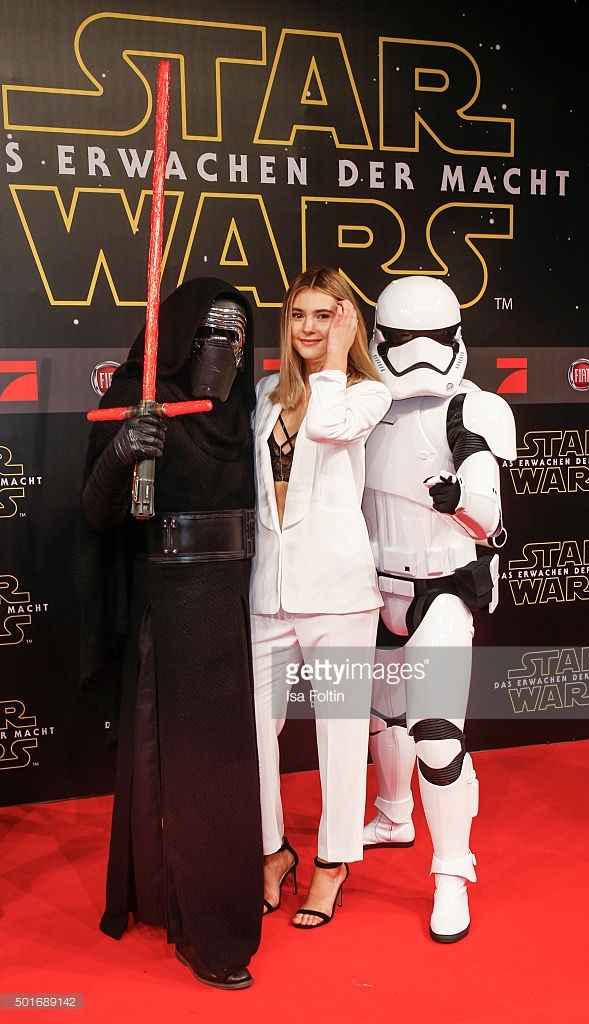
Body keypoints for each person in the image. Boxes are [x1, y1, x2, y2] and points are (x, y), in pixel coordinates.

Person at [72, 278, 262, 989]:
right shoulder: (139, 392)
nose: (225, 349)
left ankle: (217, 913)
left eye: (237, 336)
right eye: (211, 333)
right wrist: (123, 448)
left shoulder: (246, 407)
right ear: (180, 336)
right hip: (167, 600)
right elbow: (97, 515)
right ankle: (195, 922)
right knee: (177, 767)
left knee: (224, 772)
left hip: (232, 600)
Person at [360, 275, 517, 943]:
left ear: (455, 340)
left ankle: (452, 872)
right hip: (373, 587)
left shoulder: (471, 410)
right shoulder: (360, 405)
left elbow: (488, 514)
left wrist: (458, 498)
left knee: (437, 735)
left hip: (442, 587)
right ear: (380, 341)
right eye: (405, 340)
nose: (419, 355)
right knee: (382, 716)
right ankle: (393, 813)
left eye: (433, 339)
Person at [250, 266, 391, 928]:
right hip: (268, 589)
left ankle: (333, 863)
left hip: (337, 592)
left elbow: (330, 427)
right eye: (299, 315)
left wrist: (335, 357)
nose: (308, 327)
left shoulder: (366, 392)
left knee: (339, 733)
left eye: (324, 315)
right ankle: (272, 851)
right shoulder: (266, 393)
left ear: (346, 319)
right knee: (253, 730)